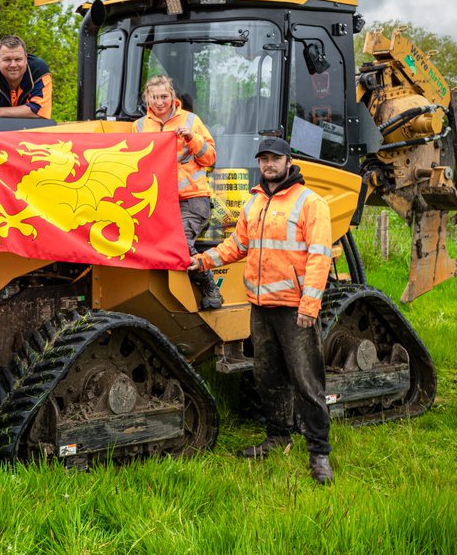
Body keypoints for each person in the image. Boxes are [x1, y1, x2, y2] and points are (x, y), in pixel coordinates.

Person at [188, 136, 335, 484]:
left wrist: (309, 306)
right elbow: (237, 245)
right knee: (267, 378)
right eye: (264, 159)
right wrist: (204, 259)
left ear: (288, 162)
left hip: (294, 309)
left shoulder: (310, 203)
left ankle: (319, 452)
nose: (268, 164)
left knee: (306, 379)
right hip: (261, 307)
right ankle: (277, 438)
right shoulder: (254, 203)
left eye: (275, 159)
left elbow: (319, 257)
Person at [135, 75, 222, 310]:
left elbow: (210, 157)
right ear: (147, 98)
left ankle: (209, 286)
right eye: (154, 97)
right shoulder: (140, 126)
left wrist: (192, 139)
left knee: (181, 244)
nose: (160, 101)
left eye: (164, 96)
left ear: (172, 96)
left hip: (192, 199)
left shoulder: (191, 121)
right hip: (157, 201)